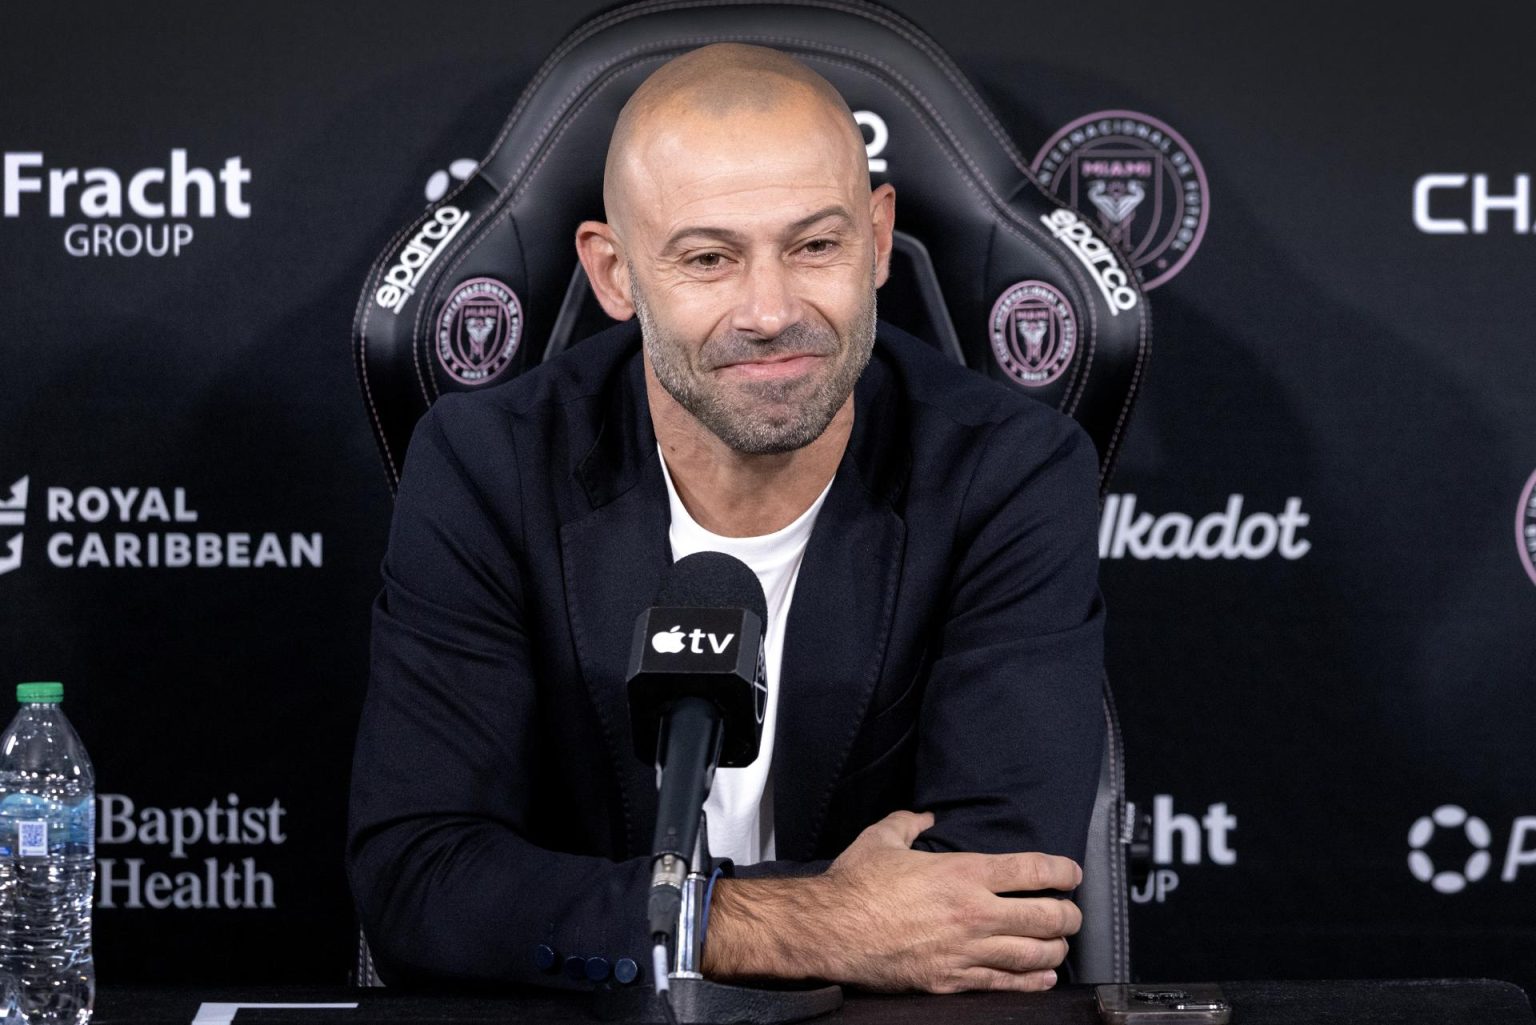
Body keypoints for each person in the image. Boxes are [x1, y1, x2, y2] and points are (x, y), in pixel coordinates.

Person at [348, 43, 1105, 996]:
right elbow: (419, 881)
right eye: (709, 257)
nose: (770, 309)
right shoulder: (487, 465)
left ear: (878, 239)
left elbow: (999, 893)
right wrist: (810, 922)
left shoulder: (1010, 470)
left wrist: (594, 907)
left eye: (815, 245)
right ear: (615, 274)